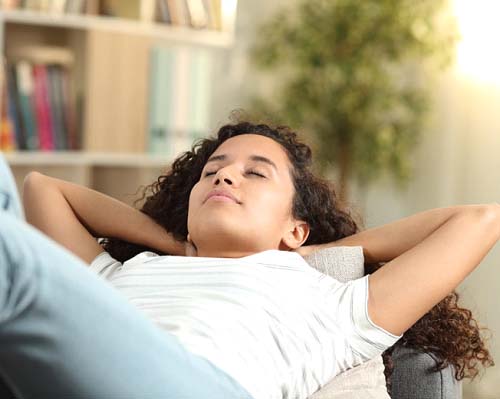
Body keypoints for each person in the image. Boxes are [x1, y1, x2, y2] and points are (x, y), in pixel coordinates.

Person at [1, 119, 496, 398]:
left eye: (255, 174)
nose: (224, 177)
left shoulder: (330, 304)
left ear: (296, 227)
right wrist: (174, 245)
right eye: (213, 171)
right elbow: (42, 189)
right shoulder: (134, 270)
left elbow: (480, 220)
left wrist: (318, 251)